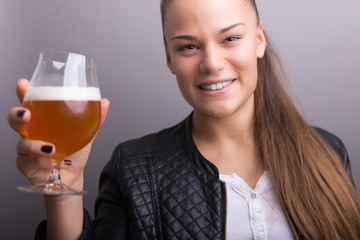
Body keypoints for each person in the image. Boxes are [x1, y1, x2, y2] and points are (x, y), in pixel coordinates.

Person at [8, 0, 360, 239]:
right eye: (188, 46)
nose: (212, 63)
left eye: (231, 38)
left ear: (259, 40)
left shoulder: (327, 151)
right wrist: (63, 190)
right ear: (169, 58)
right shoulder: (132, 168)